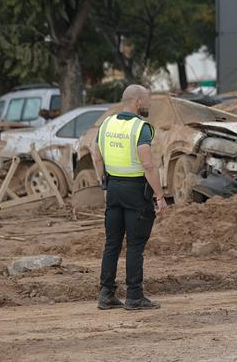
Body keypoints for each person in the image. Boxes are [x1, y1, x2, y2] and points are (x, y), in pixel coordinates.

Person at [90, 84, 166, 310]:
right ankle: (134, 296)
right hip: (136, 192)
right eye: (148, 99)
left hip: (113, 189)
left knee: (112, 243)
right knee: (135, 245)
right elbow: (148, 165)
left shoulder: (106, 124)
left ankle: (106, 294)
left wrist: (104, 183)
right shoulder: (140, 128)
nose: (150, 104)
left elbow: (95, 155)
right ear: (138, 102)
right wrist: (160, 196)